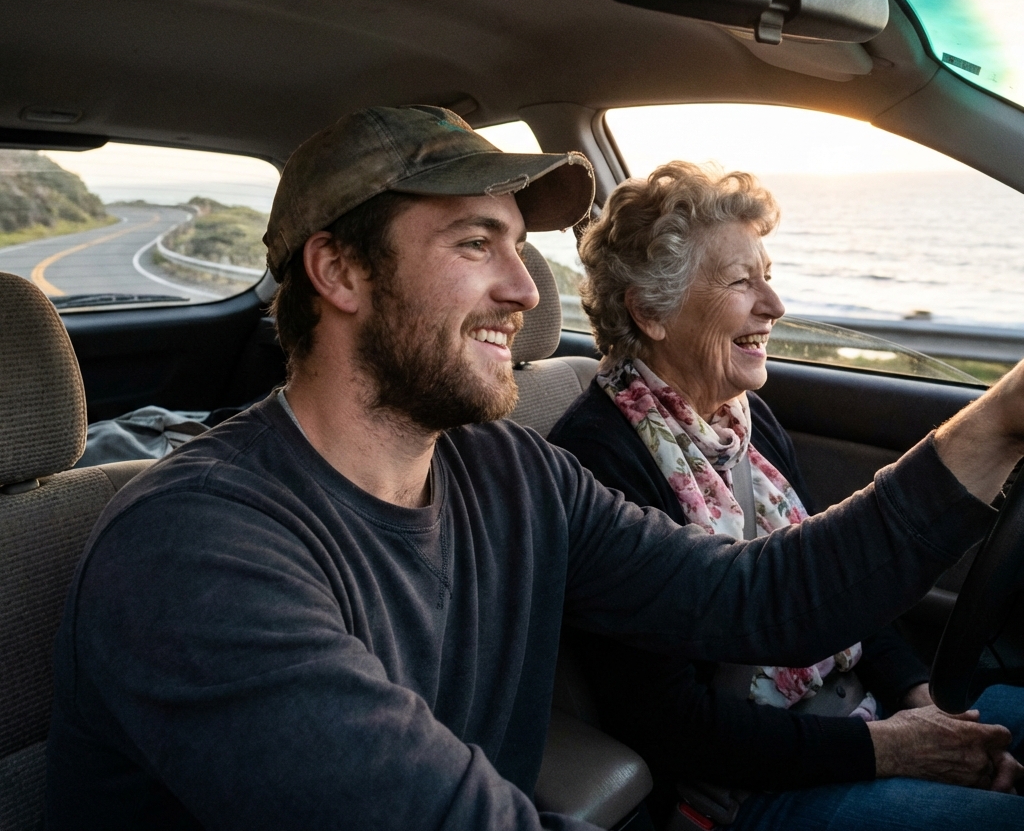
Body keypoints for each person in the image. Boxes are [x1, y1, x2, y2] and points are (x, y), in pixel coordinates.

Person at [45, 106, 1024, 831]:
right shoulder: (194, 552)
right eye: (477, 243)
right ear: (339, 271)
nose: (524, 288)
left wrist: (1003, 422)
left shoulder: (509, 473)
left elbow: (760, 597)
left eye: (519, 244)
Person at [548, 160, 1024, 830]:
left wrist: (921, 701)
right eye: (743, 282)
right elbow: (672, 722)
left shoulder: (746, 417)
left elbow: (842, 588)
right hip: (745, 785)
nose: (774, 306)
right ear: (651, 311)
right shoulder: (598, 458)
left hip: (856, 716)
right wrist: (887, 749)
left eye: (767, 277)